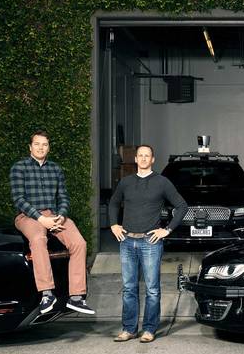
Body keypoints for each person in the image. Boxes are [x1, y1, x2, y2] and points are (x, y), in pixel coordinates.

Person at [10, 130, 95, 315]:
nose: (41, 147)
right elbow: (18, 199)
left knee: (79, 243)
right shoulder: (19, 167)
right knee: (39, 241)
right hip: (28, 216)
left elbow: (64, 197)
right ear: (30, 146)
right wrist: (41, 219)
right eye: (37, 144)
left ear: (49, 147)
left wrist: (61, 217)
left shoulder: (55, 169)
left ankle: (76, 298)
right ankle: (47, 294)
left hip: (54, 215)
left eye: (45, 144)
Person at [109, 145, 187, 343]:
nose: (144, 159)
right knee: (129, 288)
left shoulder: (162, 183)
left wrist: (167, 230)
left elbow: (182, 206)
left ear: (152, 160)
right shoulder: (126, 182)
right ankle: (129, 329)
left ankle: (149, 329)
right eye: (140, 156)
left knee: (152, 289)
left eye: (147, 156)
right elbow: (113, 203)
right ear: (135, 159)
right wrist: (113, 225)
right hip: (126, 241)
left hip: (150, 242)